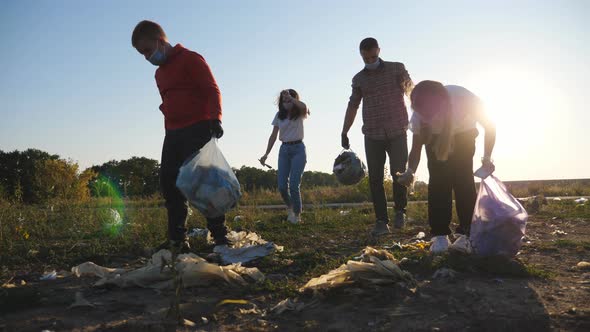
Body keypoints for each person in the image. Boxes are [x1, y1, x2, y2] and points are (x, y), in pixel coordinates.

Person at [131, 20, 230, 253]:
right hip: (173, 133)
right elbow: (170, 99)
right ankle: (177, 239)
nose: (146, 57)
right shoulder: (159, 73)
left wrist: (216, 117)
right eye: (141, 53)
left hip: (198, 128)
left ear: (159, 41)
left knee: (205, 183)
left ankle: (220, 236)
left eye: (147, 50)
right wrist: (167, 108)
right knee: (170, 183)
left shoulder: (191, 59)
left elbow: (211, 89)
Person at [397, 80, 496, 254]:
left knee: (462, 179)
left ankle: (467, 234)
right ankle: (440, 235)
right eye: (423, 113)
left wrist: (487, 158)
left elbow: (489, 126)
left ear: (442, 104)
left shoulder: (463, 98)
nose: (426, 116)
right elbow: (416, 148)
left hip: (464, 134)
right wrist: (410, 171)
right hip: (435, 138)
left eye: (430, 113)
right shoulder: (419, 116)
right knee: (438, 181)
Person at [340, 37, 414, 236]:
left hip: (398, 130)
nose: (370, 61)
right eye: (366, 59)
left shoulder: (397, 68)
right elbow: (353, 105)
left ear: (379, 51)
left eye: (373, 56)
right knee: (375, 179)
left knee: (400, 173)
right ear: (361, 56)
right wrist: (344, 131)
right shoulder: (359, 79)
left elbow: (410, 91)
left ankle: (401, 211)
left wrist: (421, 115)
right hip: (372, 134)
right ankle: (381, 220)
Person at [260, 89, 309, 224]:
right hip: (284, 150)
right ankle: (290, 207)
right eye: (284, 99)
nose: (286, 101)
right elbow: (273, 136)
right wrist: (266, 154)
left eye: (289, 99)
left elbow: (304, 106)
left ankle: (297, 215)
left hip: (298, 149)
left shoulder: (300, 112)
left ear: (294, 100)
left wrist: (291, 98)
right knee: (282, 186)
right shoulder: (279, 115)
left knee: (294, 185)